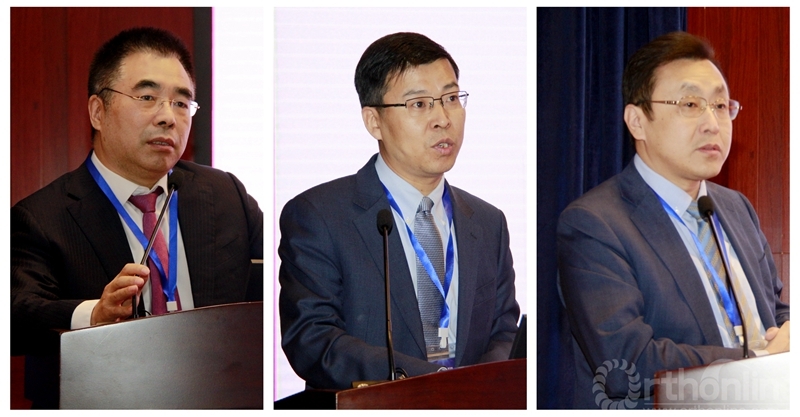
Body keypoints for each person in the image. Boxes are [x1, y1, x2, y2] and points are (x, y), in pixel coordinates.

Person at [11, 27, 263, 406]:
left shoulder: (226, 196)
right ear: (98, 111)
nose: (168, 117)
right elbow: (17, 314)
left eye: (182, 103)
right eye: (147, 97)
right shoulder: (42, 217)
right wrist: (94, 315)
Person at [557, 31, 790, 409]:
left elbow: (773, 311)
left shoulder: (735, 207)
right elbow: (626, 364)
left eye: (720, 105)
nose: (713, 123)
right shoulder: (594, 224)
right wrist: (756, 360)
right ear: (637, 121)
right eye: (691, 104)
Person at [278, 32, 520, 389]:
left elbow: (504, 332)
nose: (443, 119)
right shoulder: (319, 216)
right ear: (373, 121)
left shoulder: (487, 222)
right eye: (419, 104)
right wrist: (436, 385)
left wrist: (478, 387)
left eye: (451, 98)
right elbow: (312, 339)